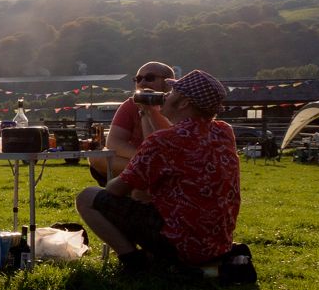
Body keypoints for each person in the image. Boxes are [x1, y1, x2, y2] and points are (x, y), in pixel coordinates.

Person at [75, 69, 241, 275]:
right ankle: (166, 262)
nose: (166, 96)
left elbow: (116, 190)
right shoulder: (224, 131)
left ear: (184, 103)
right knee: (144, 195)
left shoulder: (165, 141)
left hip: (182, 243)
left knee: (87, 197)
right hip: (217, 243)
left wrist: (110, 180)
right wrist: (147, 112)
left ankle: (134, 263)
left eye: (172, 92)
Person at [89, 61, 177, 184]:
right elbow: (114, 142)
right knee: (96, 157)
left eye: (149, 78)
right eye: (138, 79)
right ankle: (147, 172)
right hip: (138, 158)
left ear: (168, 82)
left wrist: (150, 110)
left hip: (171, 160)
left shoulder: (179, 105)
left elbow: (169, 140)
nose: (142, 83)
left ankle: (141, 176)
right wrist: (142, 159)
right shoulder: (131, 105)